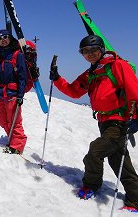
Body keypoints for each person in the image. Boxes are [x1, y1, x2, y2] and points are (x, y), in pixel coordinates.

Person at [50, 35, 138, 209]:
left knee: (95, 151)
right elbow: (73, 91)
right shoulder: (91, 74)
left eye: (93, 50)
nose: (89, 54)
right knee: (118, 159)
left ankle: (91, 185)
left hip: (119, 121)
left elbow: (134, 89)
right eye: (85, 51)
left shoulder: (118, 66)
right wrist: (57, 79)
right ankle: (135, 198)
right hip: (104, 121)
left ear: (102, 49)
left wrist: (136, 117)